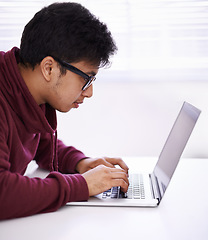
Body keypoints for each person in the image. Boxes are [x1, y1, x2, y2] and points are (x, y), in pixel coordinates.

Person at [0, 2, 129, 220]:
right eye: (86, 78)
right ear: (49, 68)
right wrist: (83, 185)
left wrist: (80, 163)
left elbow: (41, 143)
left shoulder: (28, 91)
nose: (89, 93)